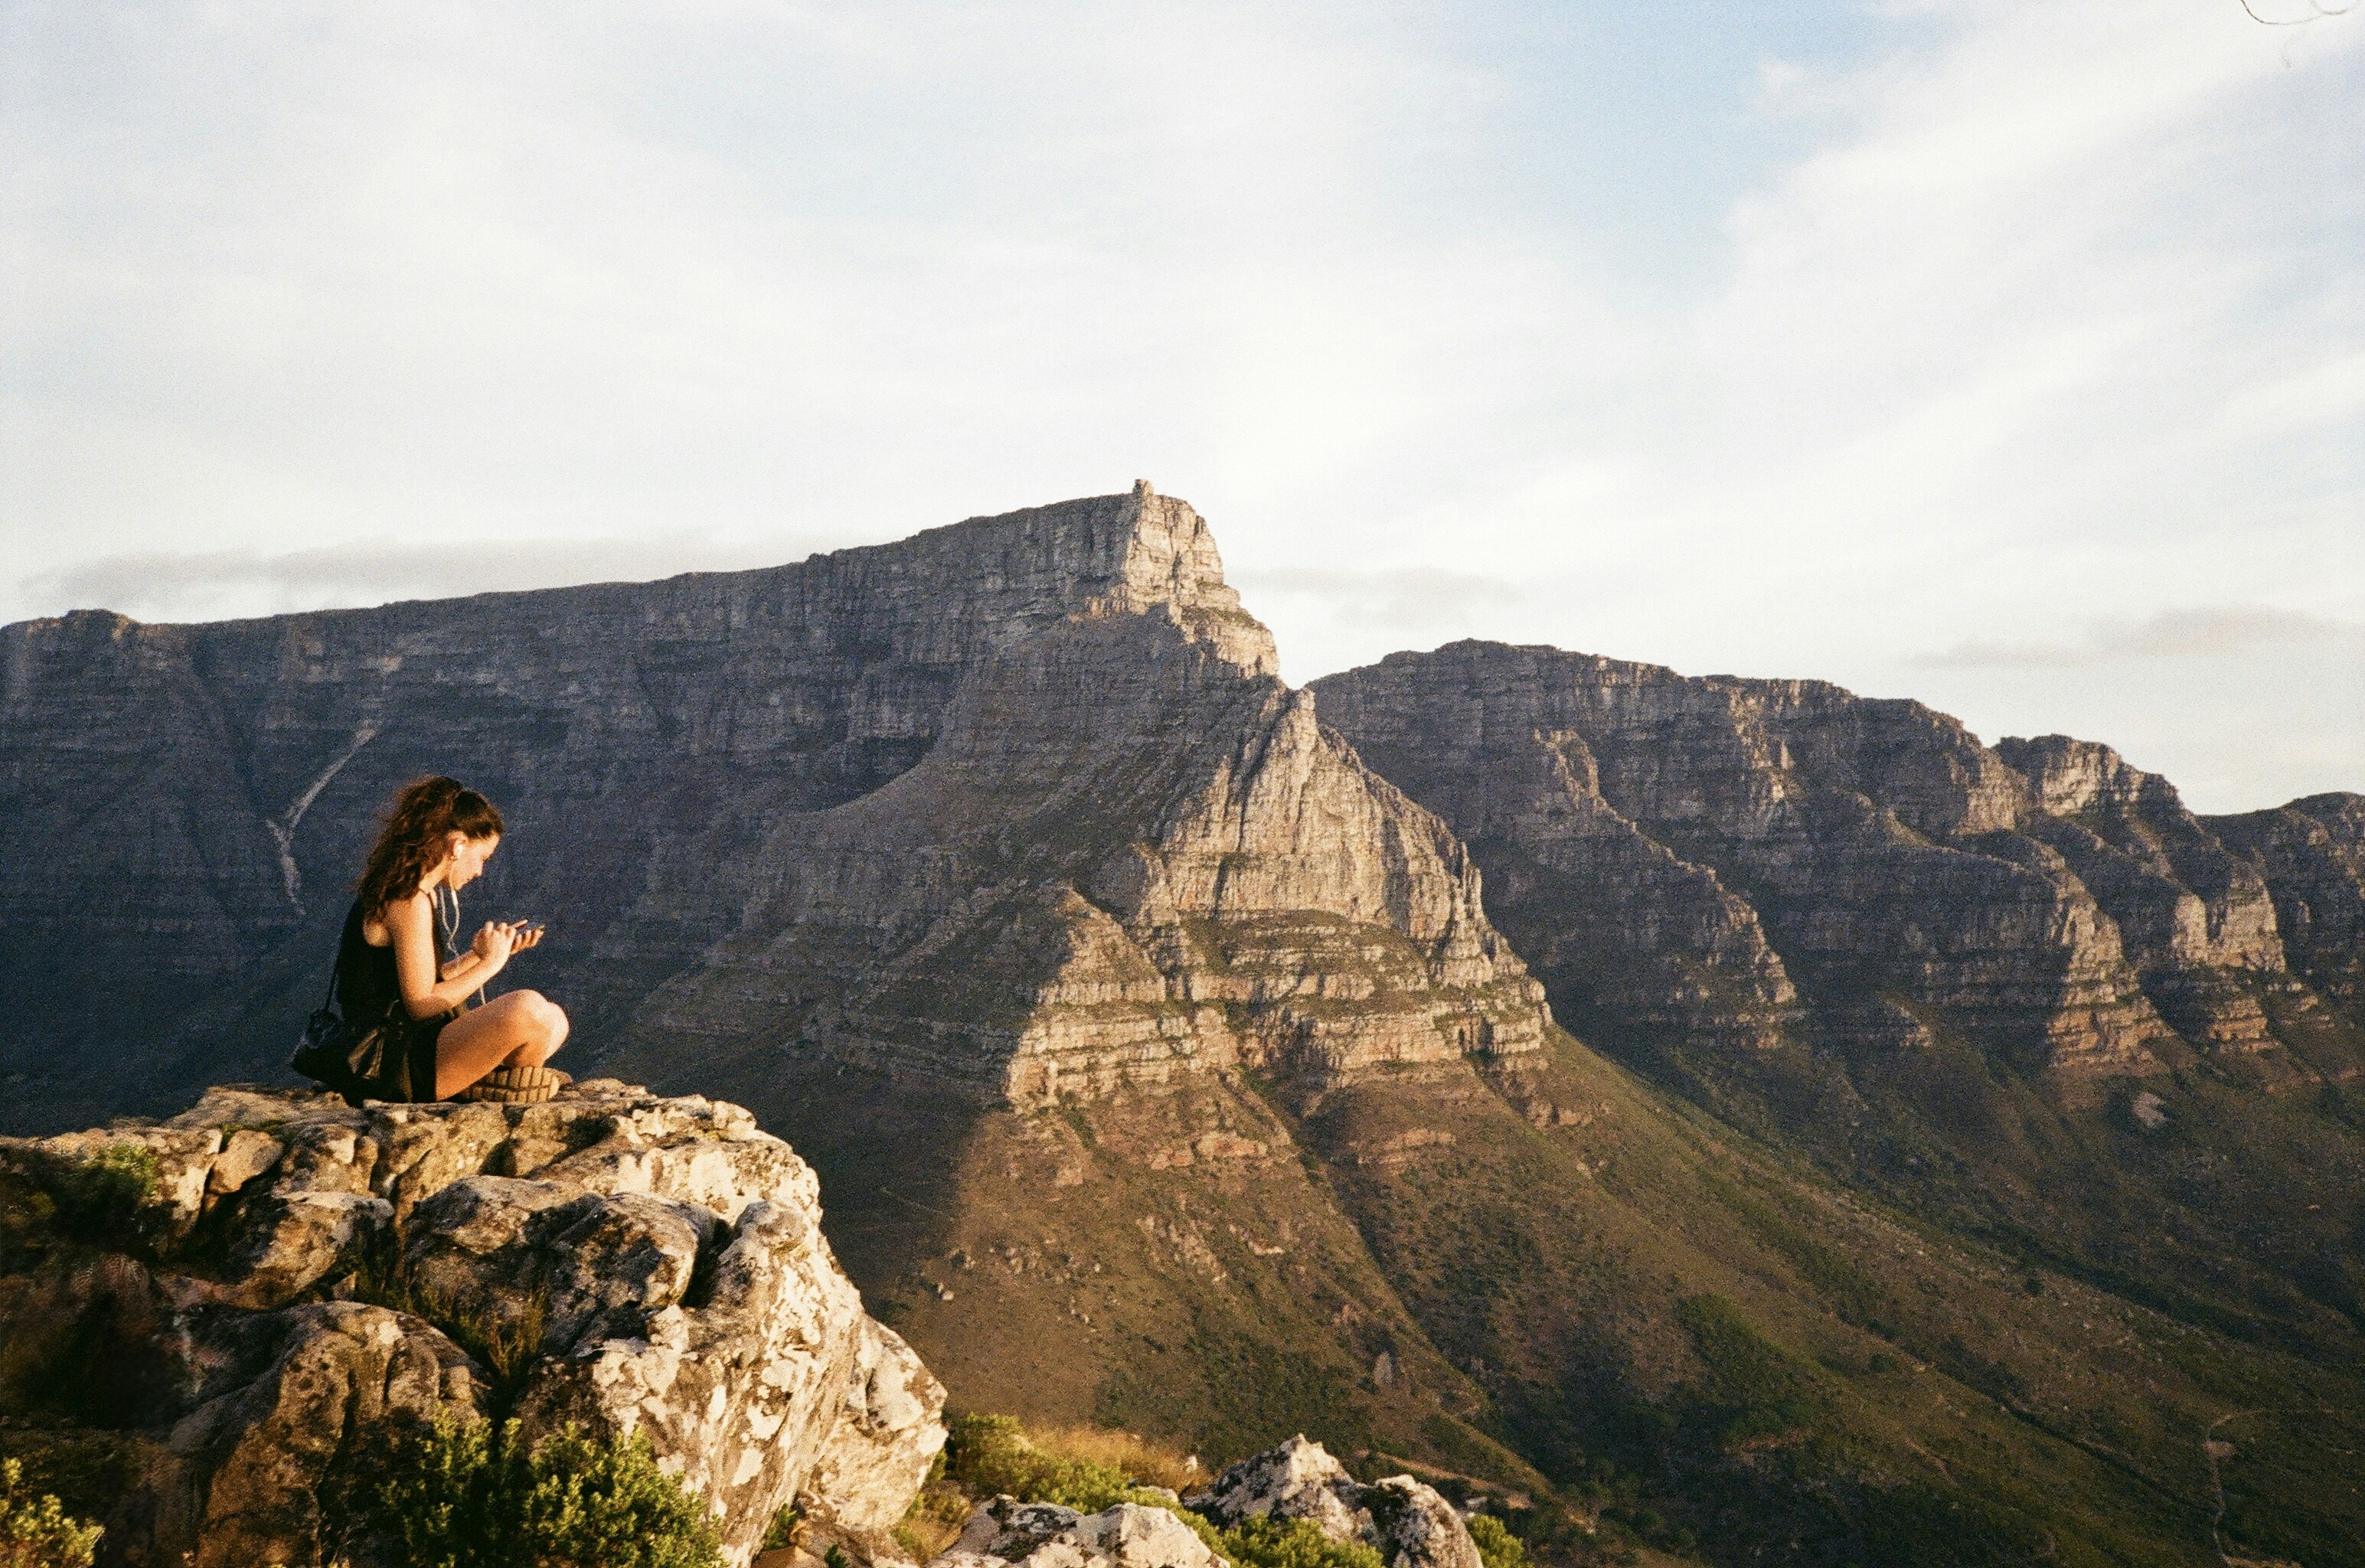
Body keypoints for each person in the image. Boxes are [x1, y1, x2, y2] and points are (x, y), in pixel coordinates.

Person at [333, 776, 570, 1102]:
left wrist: (477, 955)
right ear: (457, 845)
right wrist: (491, 964)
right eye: (482, 858)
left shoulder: (416, 894)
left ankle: (491, 1079)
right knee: (527, 1007)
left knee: (554, 1019)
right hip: (391, 1065)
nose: (480, 872)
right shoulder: (407, 901)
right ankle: (494, 1082)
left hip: (414, 1045)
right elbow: (420, 1005)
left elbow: (418, 985)